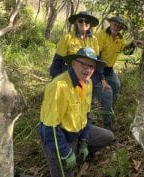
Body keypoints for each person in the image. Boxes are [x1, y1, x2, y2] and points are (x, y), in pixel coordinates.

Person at [39, 47, 114, 177]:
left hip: (77, 132)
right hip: (59, 136)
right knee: (66, 171)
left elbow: (86, 115)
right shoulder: (59, 86)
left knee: (107, 136)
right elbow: (50, 127)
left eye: (91, 66)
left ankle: (78, 151)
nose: (87, 69)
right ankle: (64, 155)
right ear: (73, 63)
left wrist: (84, 140)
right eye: (83, 64)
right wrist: (65, 152)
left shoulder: (88, 83)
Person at [49, 11, 113, 130]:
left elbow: (96, 61)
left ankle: (104, 125)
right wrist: (56, 80)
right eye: (81, 20)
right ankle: (67, 125)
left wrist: (103, 80)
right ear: (76, 22)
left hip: (89, 75)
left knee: (107, 92)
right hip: (71, 74)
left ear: (90, 24)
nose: (84, 23)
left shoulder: (93, 40)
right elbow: (57, 61)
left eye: (87, 21)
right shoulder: (68, 37)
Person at [95, 16, 144, 129]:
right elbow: (96, 58)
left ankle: (107, 111)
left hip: (110, 70)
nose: (117, 28)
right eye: (115, 24)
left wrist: (133, 44)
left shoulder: (120, 39)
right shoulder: (101, 35)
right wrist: (102, 79)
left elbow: (125, 51)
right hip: (97, 69)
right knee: (107, 93)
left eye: (119, 27)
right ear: (111, 23)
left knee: (116, 86)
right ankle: (107, 126)